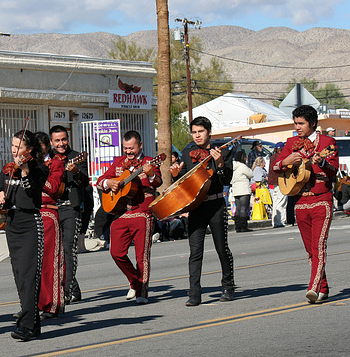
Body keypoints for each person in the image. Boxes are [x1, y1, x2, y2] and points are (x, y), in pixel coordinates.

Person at [272, 105, 338, 304]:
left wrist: (322, 162)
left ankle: (313, 287)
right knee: (310, 249)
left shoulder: (328, 142)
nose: (297, 127)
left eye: (301, 123)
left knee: (319, 246)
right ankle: (323, 287)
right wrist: (286, 161)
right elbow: (275, 167)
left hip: (321, 201)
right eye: (296, 123)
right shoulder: (291, 142)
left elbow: (333, 171)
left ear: (313, 124)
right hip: (300, 201)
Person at [0, 129, 48, 341]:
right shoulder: (6, 170)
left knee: (30, 276)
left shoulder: (38, 168)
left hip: (30, 222)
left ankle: (26, 325)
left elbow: (32, 193)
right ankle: (33, 325)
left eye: (18, 147)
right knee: (20, 276)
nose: (14, 150)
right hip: (12, 223)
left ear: (29, 149)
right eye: (12, 146)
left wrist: (24, 172)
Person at [169, 117, 234, 306]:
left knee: (222, 248)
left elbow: (226, 180)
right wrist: (175, 176)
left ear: (209, 132)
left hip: (216, 205)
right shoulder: (187, 153)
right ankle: (194, 293)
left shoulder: (222, 151)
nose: (197, 135)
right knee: (195, 251)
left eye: (201, 131)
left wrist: (220, 163)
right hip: (196, 207)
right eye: (194, 132)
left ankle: (228, 287)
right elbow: (184, 181)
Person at [97, 130, 162, 305]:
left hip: (142, 212)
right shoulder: (118, 162)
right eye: (125, 148)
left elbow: (158, 182)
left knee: (142, 255)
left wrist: (150, 174)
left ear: (140, 145)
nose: (128, 152)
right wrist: (108, 183)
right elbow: (100, 180)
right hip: (121, 213)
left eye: (131, 148)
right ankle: (134, 280)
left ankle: (142, 291)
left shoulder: (149, 162)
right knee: (116, 252)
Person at [49, 125, 90, 304]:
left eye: (64, 139)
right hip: (51, 208)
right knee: (54, 251)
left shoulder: (76, 157)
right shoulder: (48, 159)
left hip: (71, 208)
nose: (61, 143)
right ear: (51, 142)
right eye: (57, 140)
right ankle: (74, 289)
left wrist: (75, 171)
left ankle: (66, 291)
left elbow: (84, 182)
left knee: (68, 248)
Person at [34, 132, 65, 319]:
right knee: (30, 264)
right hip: (29, 214)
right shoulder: (28, 164)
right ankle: (31, 304)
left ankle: (51, 304)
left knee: (49, 262)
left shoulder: (56, 163)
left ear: (46, 146)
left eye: (39, 147)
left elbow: (53, 187)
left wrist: (35, 174)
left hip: (47, 212)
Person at [231, 150, 253, 232]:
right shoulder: (243, 166)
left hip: (236, 189)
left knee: (238, 208)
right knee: (244, 208)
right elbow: (251, 174)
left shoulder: (233, 166)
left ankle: (238, 227)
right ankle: (244, 226)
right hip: (244, 189)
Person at [267, 142, 287, 228]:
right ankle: (281, 220)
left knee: (275, 202)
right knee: (281, 201)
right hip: (280, 181)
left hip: (273, 181)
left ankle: (275, 221)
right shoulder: (281, 157)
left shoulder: (272, 157)